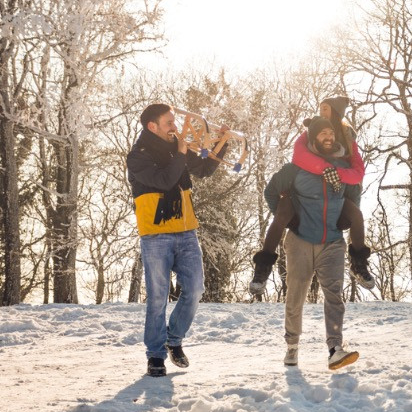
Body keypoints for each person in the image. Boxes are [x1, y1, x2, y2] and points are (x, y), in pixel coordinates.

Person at [126, 103, 225, 377]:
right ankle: (155, 355)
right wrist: (181, 154)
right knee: (158, 297)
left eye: (173, 121)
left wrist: (222, 143)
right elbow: (165, 180)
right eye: (169, 122)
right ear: (152, 127)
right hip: (155, 234)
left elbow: (204, 169)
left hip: (186, 230)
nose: (175, 126)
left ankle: (174, 339)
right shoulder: (137, 157)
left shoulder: (176, 147)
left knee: (195, 290)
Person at [249, 95, 374, 294]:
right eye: (320, 108)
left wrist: (340, 182)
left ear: (336, 111)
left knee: (356, 214)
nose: (321, 111)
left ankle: (359, 264)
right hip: (306, 183)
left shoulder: (347, 137)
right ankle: (263, 267)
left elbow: (357, 173)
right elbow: (299, 156)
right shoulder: (309, 133)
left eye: (326, 108)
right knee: (283, 210)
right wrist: (324, 168)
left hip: (338, 185)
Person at [265, 117, 359, 370]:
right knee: (296, 294)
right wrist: (290, 220)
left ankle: (335, 349)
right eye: (323, 133)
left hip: (332, 242)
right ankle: (292, 346)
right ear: (313, 138)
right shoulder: (295, 169)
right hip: (300, 241)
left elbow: (354, 196)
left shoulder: (342, 167)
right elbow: (270, 192)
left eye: (331, 132)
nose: (328, 136)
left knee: (334, 295)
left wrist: (342, 223)